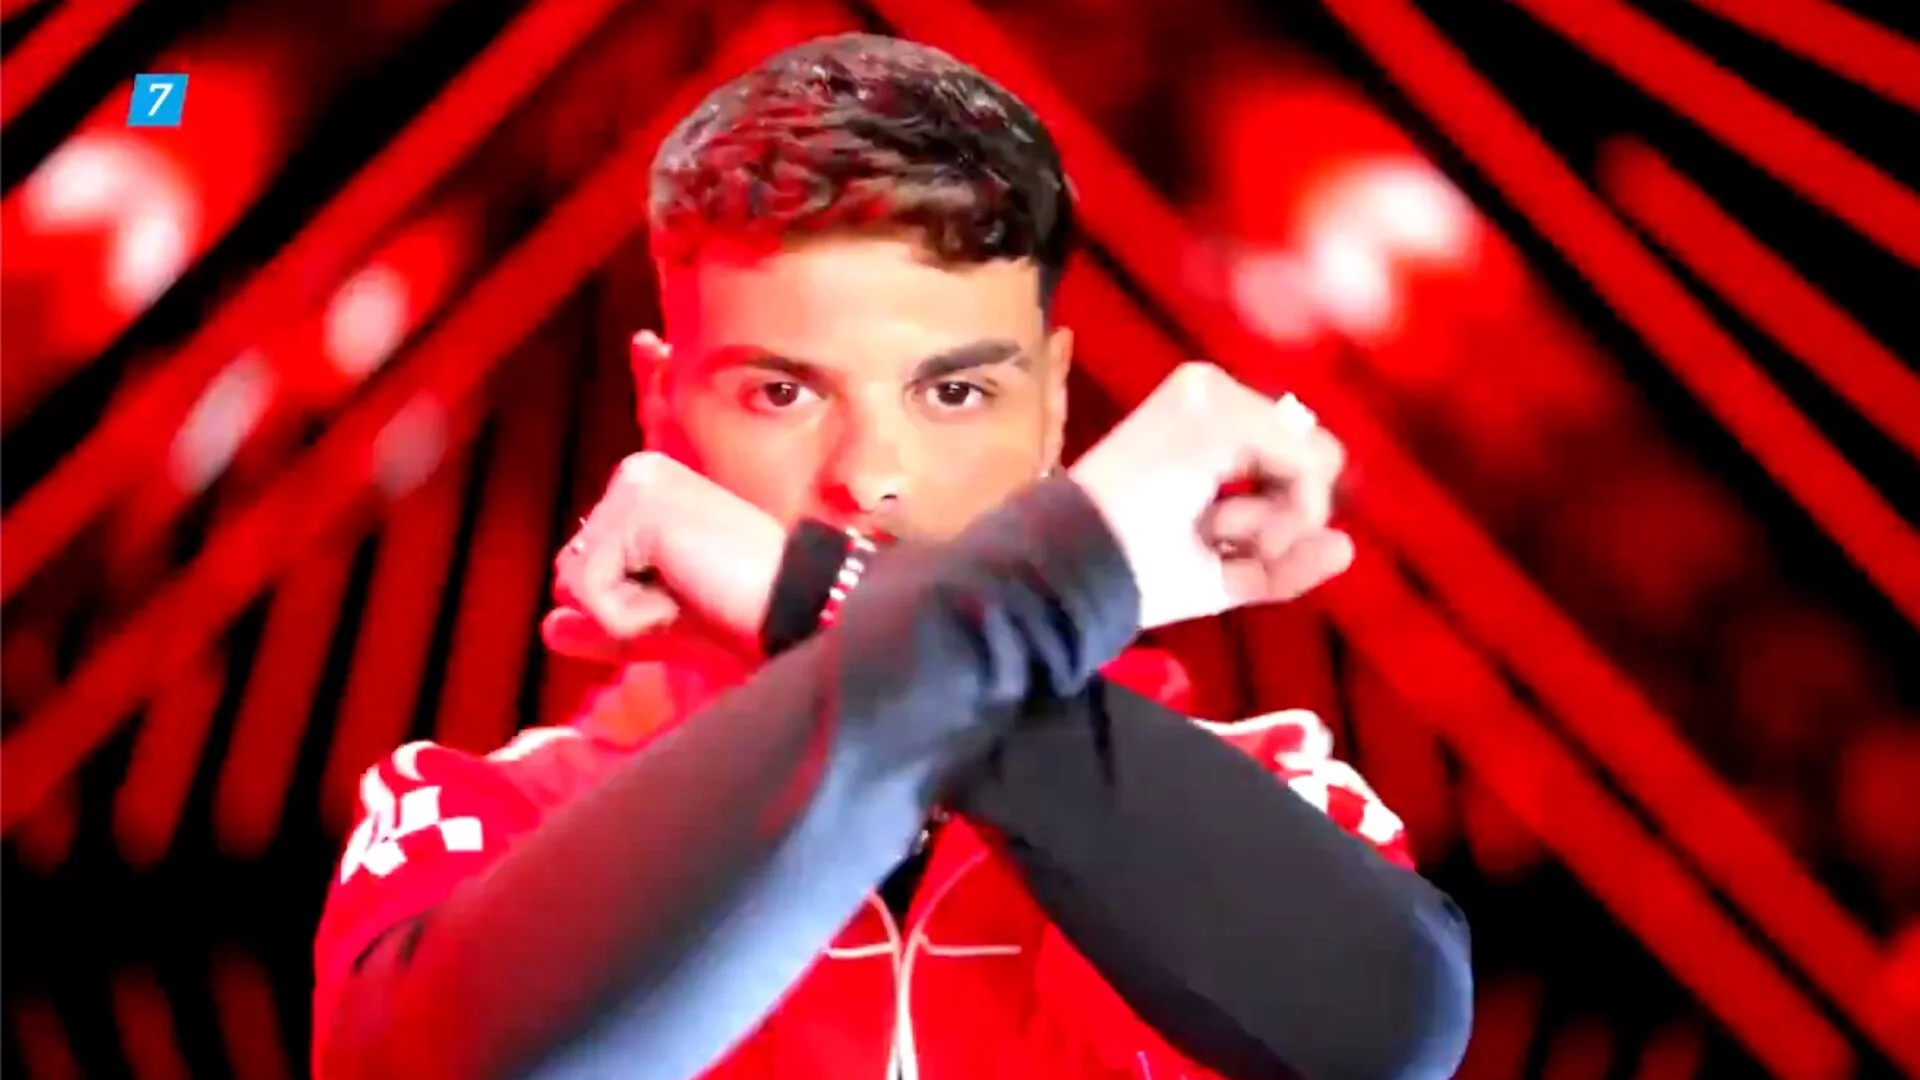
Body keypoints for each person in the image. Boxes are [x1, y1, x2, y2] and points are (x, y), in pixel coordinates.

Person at [310, 32, 1472, 1080]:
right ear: (659, 404)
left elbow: (1389, 1028)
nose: (871, 479)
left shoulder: (1274, 783)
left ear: (1053, 407)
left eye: (956, 392)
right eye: (780, 392)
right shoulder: (477, 809)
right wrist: (1057, 574)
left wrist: (815, 598)